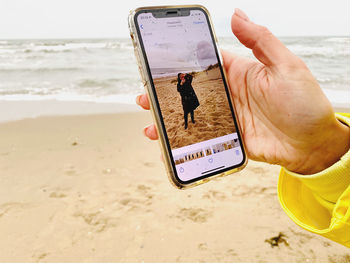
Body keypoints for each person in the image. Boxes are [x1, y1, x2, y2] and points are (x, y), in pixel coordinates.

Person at [136, 8, 350, 247]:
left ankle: (191, 121)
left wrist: (320, 147)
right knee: (185, 116)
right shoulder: (180, 85)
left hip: (192, 99)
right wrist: (322, 150)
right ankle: (189, 122)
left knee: (191, 113)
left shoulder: (189, 82)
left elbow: (193, 80)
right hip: (186, 100)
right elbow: (180, 86)